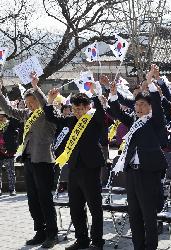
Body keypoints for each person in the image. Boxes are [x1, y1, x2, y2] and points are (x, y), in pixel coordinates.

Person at [108, 66, 168, 250]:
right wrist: (112, 95)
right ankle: (138, 246)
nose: (139, 107)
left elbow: (158, 107)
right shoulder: (134, 121)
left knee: (148, 215)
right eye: (137, 104)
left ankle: (150, 247)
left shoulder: (155, 121)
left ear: (150, 107)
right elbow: (116, 113)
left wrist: (150, 84)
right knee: (133, 213)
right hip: (132, 173)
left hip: (148, 173)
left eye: (143, 105)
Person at [44, 84, 105, 250]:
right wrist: (49, 101)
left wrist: (95, 94)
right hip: (74, 168)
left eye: (80, 109)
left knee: (94, 207)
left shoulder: (93, 119)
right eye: (75, 109)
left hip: (90, 167)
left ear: (87, 107)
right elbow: (51, 117)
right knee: (76, 207)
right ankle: (81, 239)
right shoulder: (71, 120)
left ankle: (97, 241)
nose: (77, 112)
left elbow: (101, 113)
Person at [0, 73, 58, 248]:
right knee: (32, 199)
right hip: (28, 159)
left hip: (43, 160)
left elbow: (46, 104)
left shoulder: (48, 113)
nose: (29, 105)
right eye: (27, 103)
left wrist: (35, 86)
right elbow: (10, 110)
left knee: (44, 198)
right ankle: (39, 231)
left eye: (32, 102)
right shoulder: (26, 114)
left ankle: (52, 234)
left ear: (38, 101)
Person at [0, 110, 20, 196]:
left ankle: (12, 189)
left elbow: (16, 123)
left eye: (2, 116)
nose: (1, 118)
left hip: (9, 151)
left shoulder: (10, 124)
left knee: (11, 172)